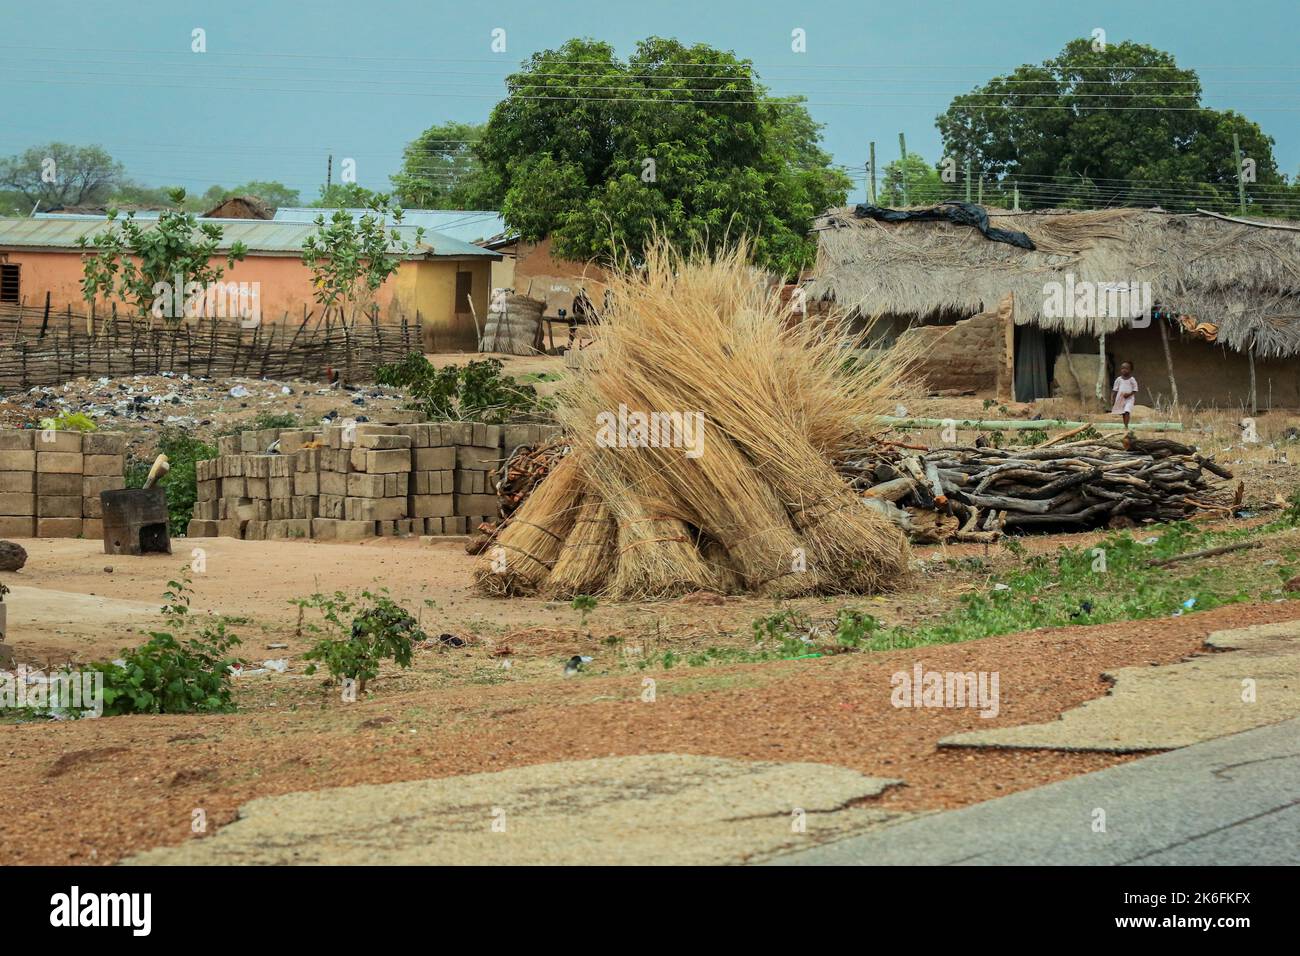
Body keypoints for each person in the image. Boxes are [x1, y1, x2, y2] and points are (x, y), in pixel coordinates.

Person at [1111, 361, 1139, 429]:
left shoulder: (1132, 380)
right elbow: (1115, 390)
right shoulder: (1119, 379)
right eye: (1122, 368)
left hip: (1129, 399)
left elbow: (1135, 389)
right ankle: (1125, 425)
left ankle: (1126, 426)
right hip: (1121, 398)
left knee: (1127, 411)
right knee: (1123, 412)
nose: (1124, 370)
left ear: (1130, 370)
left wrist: (1129, 394)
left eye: (1126, 368)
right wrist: (1112, 398)